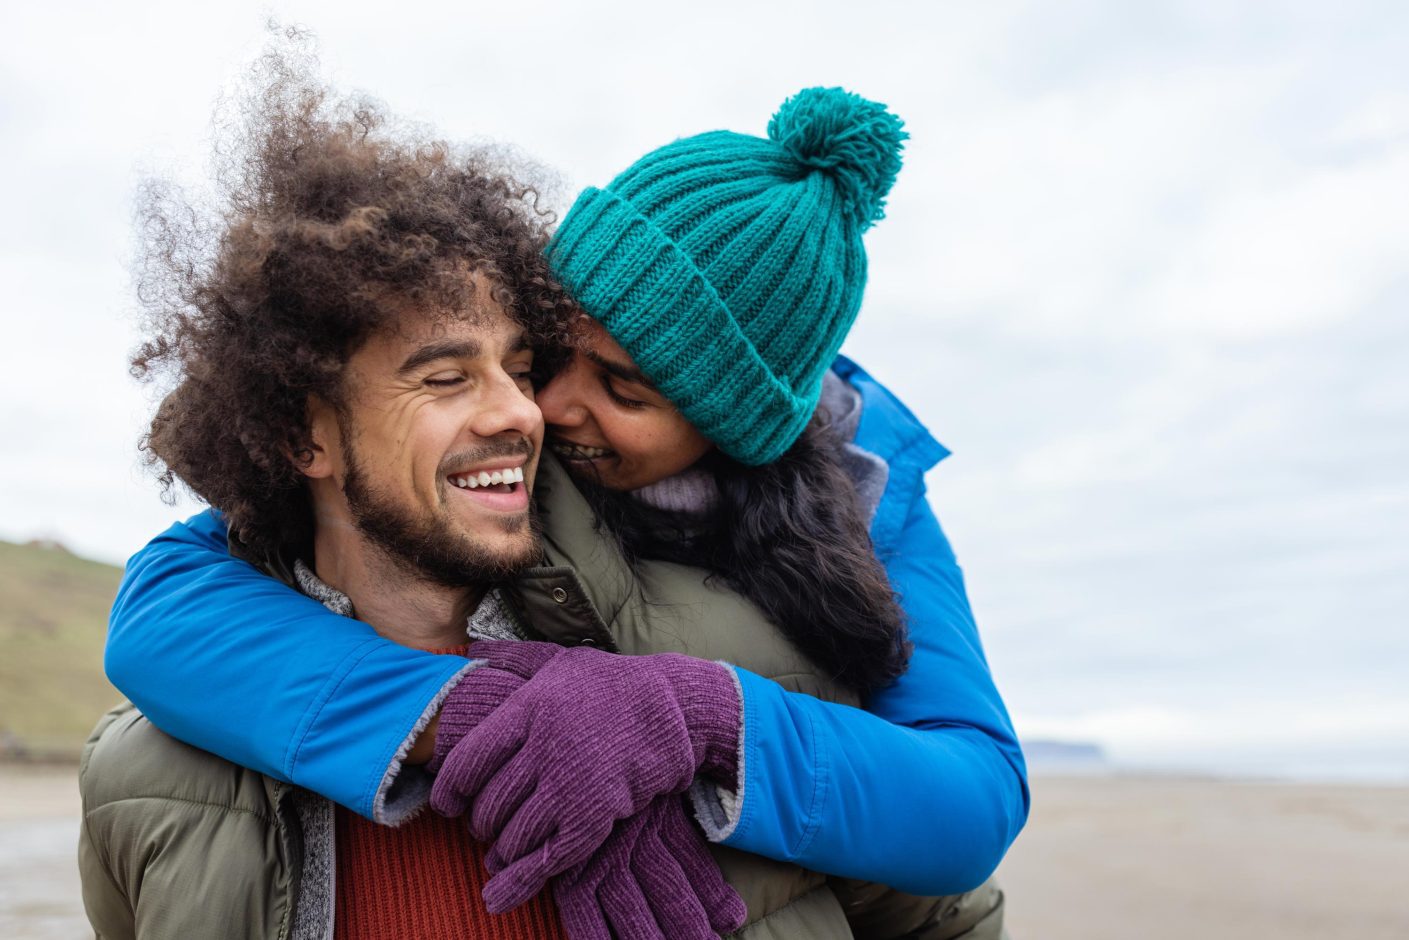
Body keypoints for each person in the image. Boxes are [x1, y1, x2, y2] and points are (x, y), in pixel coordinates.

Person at [101, 78, 1027, 937]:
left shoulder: (869, 519)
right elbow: (168, 603)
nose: (539, 407)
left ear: (725, 430)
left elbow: (970, 802)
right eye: (550, 351)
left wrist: (696, 716)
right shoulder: (497, 452)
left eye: (623, 388)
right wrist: (456, 716)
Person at [78, 58, 746, 940]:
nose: (519, 411)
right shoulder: (138, 774)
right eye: (443, 377)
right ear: (302, 439)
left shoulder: (719, 659)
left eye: (516, 367)